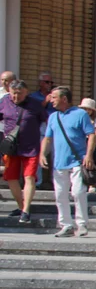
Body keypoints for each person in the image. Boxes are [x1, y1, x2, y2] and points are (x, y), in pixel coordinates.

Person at [40, 87, 96, 237]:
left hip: (78, 161)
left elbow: (91, 135)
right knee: (60, 195)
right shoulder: (53, 116)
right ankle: (66, 225)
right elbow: (47, 138)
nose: (51, 100)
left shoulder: (80, 114)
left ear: (64, 99)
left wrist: (89, 155)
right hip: (59, 163)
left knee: (78, 192)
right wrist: (42, 154)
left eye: (54, 97)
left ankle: (82, 224)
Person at [1, 80, 45, 223]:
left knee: (29, 177)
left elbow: (47, 120)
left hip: (30, 146)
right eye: (14, 93)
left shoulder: (35, 104)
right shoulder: (4, 101)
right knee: (11, 177)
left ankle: (26, 210)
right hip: (11, 147)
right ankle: (21, 207)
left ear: (26, 92)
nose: (16, 97)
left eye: (20, 94)